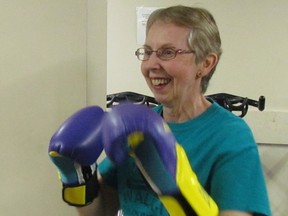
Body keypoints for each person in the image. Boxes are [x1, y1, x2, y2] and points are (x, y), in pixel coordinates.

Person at [49, 5, 271, 216]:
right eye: (147, 52)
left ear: (205, 63)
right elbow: (103, 210)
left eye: (167, 53)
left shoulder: (230, 137)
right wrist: (77, 179)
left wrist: (177, 188)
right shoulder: (137, 127)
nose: (150, 64)